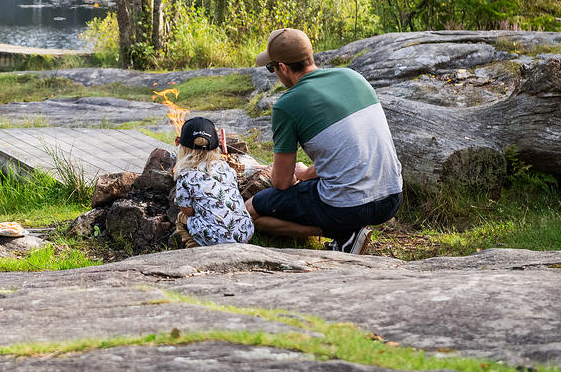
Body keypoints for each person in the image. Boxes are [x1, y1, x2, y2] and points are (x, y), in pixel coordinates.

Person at [246, 28, 403, 254]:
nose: (274, 72)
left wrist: (291, 175)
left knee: (251, 211)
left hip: (348, 207)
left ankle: (342, 233)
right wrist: (306, 173)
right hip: (392, 197)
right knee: (312, 190)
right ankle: (349, 231)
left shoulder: (286, 105)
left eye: (271, 68)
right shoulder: (353, 77)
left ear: (282, 68)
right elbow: (347, 150)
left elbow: (281, 183)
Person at [173, 116, 255, 247]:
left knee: (181, 218)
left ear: (182, 147)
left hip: (218, 240)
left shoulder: (185, 175)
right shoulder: (225, 167)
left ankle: (194, 248)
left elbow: (187, 210)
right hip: (245, 232)